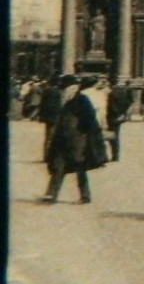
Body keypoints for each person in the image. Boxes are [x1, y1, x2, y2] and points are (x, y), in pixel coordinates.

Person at [41, 75, 107, 204]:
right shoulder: (66, 101)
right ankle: (51, 194)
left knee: (79, 166)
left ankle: (85, 195)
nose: (66, 91)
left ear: (73, 88)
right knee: (58, 165)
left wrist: (87, 135)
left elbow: (90, 120)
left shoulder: (82, 100)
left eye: (68, 88)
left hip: (78, 140)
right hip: (63, 139)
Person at [103, 79, 132, 162]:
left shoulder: (111, 93)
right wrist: (123, 114)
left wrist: (116, 114)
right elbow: (128, 102)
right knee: (115, 135)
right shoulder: (122, 91)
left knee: (110, 136)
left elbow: (111, 106)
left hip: (111, 117)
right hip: (118, 117)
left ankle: (112, 155)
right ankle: (115, 155)